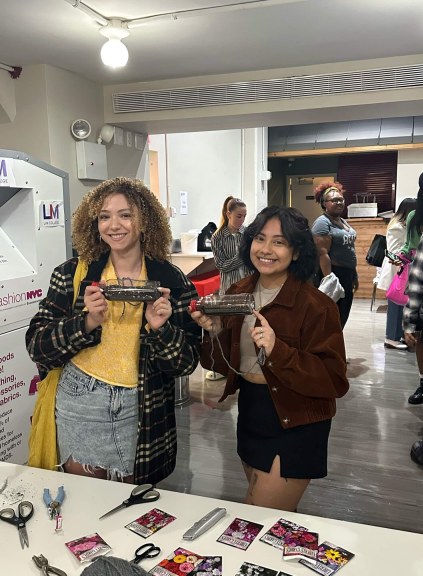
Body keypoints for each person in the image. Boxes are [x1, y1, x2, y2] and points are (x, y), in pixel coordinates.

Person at [26, 177, 201, 484]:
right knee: (85, 497)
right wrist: (87, 322)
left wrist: (161, 330)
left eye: (126, 215)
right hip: (81, 400)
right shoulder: (72, 275)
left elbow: (186, 364)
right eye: (104, 216)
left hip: (143, 403)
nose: (114, 225)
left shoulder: (171, 281)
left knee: (134, 503)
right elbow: (38, 346)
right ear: (94, 223)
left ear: (145, 220)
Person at [190, 206, 349, 511]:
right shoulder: (239, 292)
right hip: (252, 411)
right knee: (271, 517)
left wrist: (279, 351)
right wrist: (214, 332)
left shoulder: (316, 305)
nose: (265, 249)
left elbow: (334, 379)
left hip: (296, 420)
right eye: (260, 239)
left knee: (258, 517)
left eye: (279, 242)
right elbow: (218, 365)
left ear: (297, 251)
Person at [206, 196, 251, 381]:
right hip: (229, 288)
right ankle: (225, 365)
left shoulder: (247, 233)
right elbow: (222, 265)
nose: (242, 220)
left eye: (244, 216)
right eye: (239, 216)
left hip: (248, 285)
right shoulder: (218, 237)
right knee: (228, 327)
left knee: (247, 326)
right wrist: (243, 254)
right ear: (228, 214)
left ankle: (246, 363)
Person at [311, 181, 358, 328]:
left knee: (342, 316)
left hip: (346, 274)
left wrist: (354, 274)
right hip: (333, 274)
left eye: (341, 200)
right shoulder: (322, 223)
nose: (339, 202)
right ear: (324, 203)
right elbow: (322, 254)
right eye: (334, 200)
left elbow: (349, 249)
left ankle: (334, 346)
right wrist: (330, 280)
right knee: (332, 318)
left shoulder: (342, 221)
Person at [378, 198, 417, 349]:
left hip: (401, 270)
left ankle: (399, 336)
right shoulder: (398, 227)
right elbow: (392, 252)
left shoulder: (403, 226)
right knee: (395, 306)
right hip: (396, 270)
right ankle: (391, 338)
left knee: (401, 305)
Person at [400, 173, 423, 404]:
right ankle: (422, 382)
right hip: (418, 267)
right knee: (419, 333)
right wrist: (402, 257)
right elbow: (409, 243)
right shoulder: (416, 215)